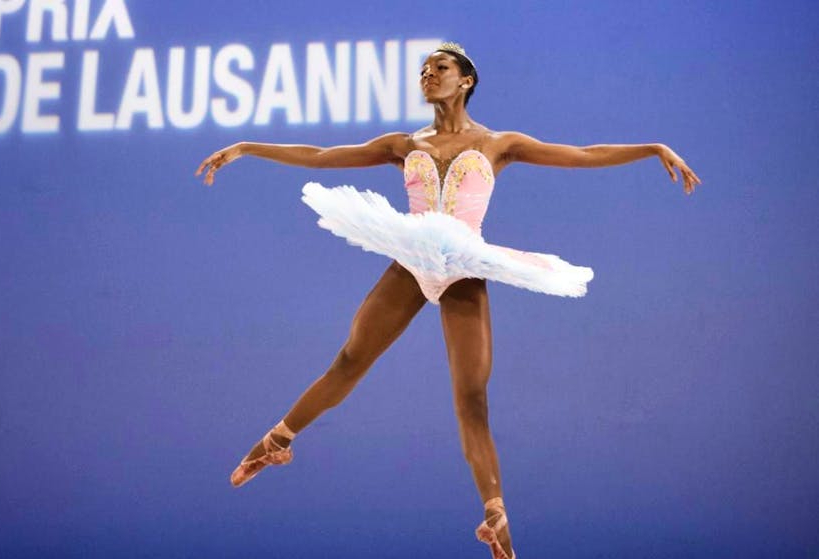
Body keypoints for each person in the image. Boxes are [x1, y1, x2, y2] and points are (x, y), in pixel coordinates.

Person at [195, 42, 701, 559]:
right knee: (350, 360)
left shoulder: (500, 143)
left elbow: (583, 154)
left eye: (440, 68)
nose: (428, 74)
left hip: (462, 267)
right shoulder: (401, 144)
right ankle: (275, 442)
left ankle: (495, 514)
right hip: (411, 261)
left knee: (472, 398)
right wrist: (246, 147)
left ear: (466, 81)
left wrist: (654, 147)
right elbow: (324, 157)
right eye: (423, 69)